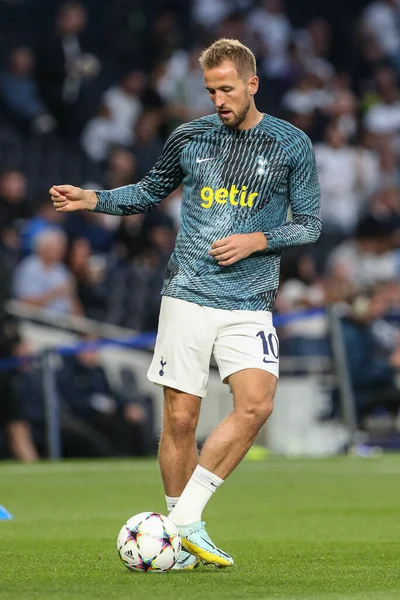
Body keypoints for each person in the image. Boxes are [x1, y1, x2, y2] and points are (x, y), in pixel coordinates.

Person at [50, 39, 321, 569]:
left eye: (227, 88)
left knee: (257, 405)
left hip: (251, 299)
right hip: (188, 293)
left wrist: (256, 240)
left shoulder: (291, 144)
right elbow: (152, 191)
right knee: (180, 418)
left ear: (252, 84)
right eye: (210, 90)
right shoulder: (190, 137)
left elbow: (310, 224)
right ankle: (184, 541)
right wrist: (94, 199)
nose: (218, 99)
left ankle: (180, 522)